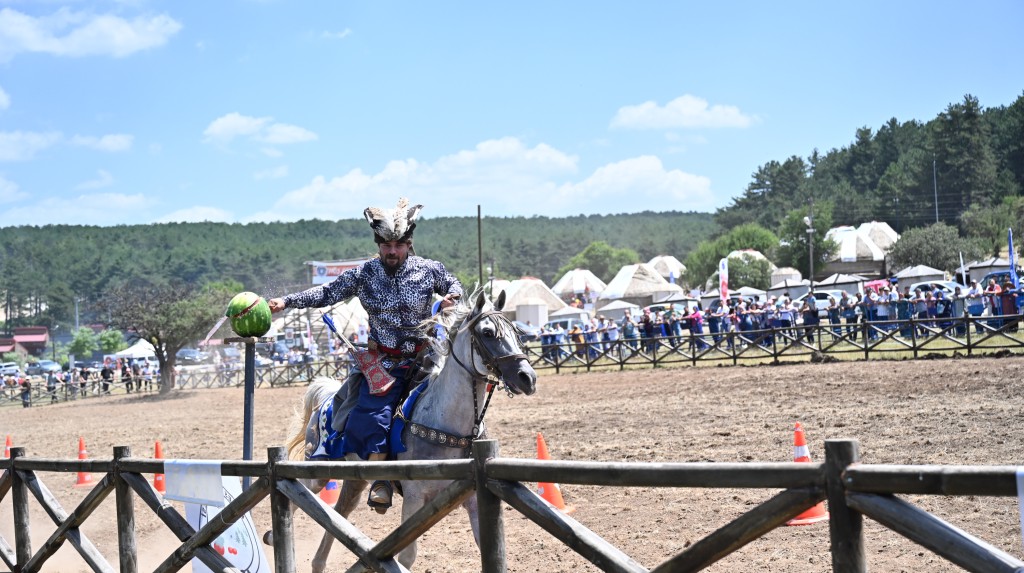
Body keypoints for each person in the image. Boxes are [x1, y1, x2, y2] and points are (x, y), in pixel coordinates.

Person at [267, 198, 462, 511]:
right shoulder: (364, 274)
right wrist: (287, 301)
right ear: (378, 245)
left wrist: (453, 296)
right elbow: (326, 293)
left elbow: (453, 284)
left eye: (398, 245)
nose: (392, 251)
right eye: (386, 245)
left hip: (426, 361)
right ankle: (381, 479)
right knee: (372, 420)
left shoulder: (429, 270)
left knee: (458, 400)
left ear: (409, 244)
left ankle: (465, 460)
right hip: (384, 367)